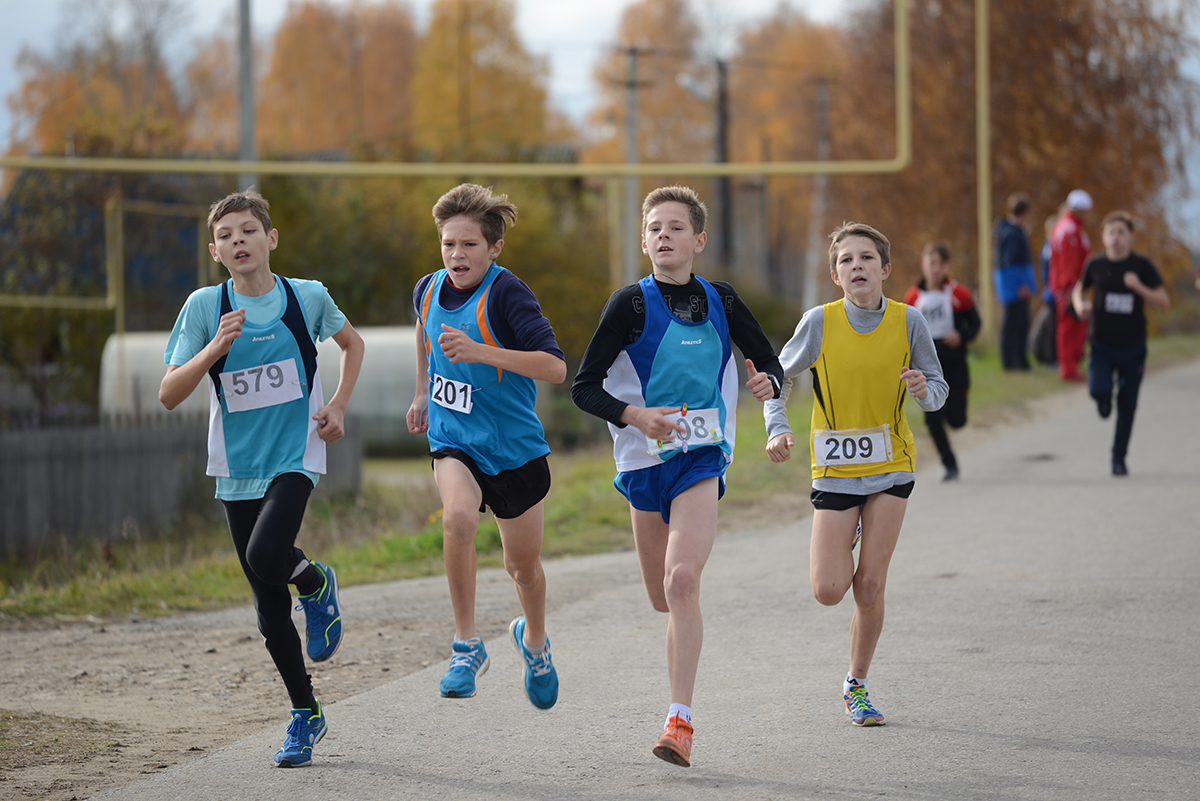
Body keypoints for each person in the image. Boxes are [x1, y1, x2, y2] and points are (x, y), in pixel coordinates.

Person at [571, 185, 783, 767]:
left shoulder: (722, 299)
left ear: (698, 240)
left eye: (675, 227)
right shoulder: (629, 305)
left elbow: (769, 360)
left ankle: (679, 721)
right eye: (655, 228)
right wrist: (635, 416)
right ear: (644, 240)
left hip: (700, 456)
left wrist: (770, 383)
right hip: (643, 464)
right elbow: (583, 387)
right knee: (661, 598)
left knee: (682, 581)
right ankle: (678, 654)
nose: (664, 235)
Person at [159, 188, 365, 768]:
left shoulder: (307, 298)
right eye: (226, 236)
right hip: (236, 465)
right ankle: (307, 713)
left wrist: (341, 405)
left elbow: (353, 344)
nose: (238, 242)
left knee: (268, 551)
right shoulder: (204, 307)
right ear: (214, 251)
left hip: (295, 454)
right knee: (268, 609)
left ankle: (317, 582)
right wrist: (213, 349)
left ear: (270, 239)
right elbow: (170, 393)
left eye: (248, 231)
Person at [764, 222, 947, 728]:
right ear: (834, 274)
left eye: (867, 258)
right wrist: (777, 429)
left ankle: (856, 685)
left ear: (885, 269)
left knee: (869, 587)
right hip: (835, 471)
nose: (857, 266)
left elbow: (938, 385)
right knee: (828, 589)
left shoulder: (909, 321)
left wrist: (923, 390)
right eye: (847, 260)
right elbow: (774, 377)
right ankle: (852, 528)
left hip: (891, 466)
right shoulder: (818, 323)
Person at [406, 183, 565, 710]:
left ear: (493, 248)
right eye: (448, 243)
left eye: (469, 244)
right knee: (457, 519)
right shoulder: (427, 289)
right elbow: (425, 337)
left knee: (523, 570)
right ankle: (467, 644)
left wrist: (483, 352)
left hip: (514, 450)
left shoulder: (507, 294)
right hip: (454, 438)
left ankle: (535, 643)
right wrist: (423, 391)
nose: (456, 255)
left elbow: (555, 367)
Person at [1071, 211, 1170, 476]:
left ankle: (1119, 457)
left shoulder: (1142, 266)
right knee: (1099, 391)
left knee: (1128, 405)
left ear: (1131, 237)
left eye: (1121, 233)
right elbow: (1078, 290)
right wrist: (1081, 305)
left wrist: (1139, 287)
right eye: (1111, 233)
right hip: (1102, 344)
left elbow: (1163, 301)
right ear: (1103, 237)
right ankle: (1103, 401)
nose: (1116, 238)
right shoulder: (1095, 264)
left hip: (1133, 347)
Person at [903, 242, 980, 481]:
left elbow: (975, 324)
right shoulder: (913, 297)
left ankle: (954, 413)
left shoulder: (959, 294)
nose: (935, 269)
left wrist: (962, 335)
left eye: (940, 264)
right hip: (926, 368)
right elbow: (904, 331)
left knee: (956, 420)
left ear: (948, 266)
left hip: (954, 363)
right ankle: (949, 463)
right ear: (923, 264)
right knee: (932, 418)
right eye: (931, 263)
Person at [1049, 189, 1093, 381]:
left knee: (1074, 327)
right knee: (1070, 329)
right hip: (1071, 288)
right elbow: (1070, 263)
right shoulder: (1070, 231)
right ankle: (1068, 369)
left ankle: (1071, 366)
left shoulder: (1067, 227)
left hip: (1071, 286)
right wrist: (1072, 288)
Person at [993, 192, 1037, 370]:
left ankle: (1019, 361)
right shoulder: (1011, 234)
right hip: (1014, 288)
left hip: (1012, 286)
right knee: (1014, 326)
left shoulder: (1009, 231)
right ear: (1025, 212)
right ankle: (1012, 363)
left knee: (1018, 325)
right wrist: (1021, 286)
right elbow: (1011, 263)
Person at [1030, 212, 1060, 366]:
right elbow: (1047, 272)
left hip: (1054, 292)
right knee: (1051, 328)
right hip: (1052, 293)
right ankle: (1050, 358)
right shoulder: (1049, 246)